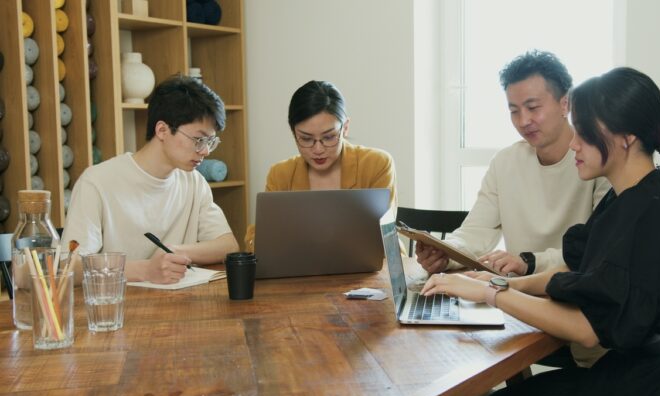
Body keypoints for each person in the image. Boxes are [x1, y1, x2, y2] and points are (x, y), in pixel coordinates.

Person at [421, 67, 660, 396]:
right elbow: (577, 269)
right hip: (638, 369)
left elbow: (586, 330)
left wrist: (490, 294)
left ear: (626, 137)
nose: (574, 144)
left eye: (584, 133)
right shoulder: (629, 197)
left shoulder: (653, 208)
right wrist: (502, 283)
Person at [416, 50, 610, 367]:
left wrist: (527, 263)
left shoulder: (598, 161)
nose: (523, 121)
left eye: (533, 108)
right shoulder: (506, 162)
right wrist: (445, 251)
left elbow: (595, 255)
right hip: (520, 307)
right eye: (514, 110)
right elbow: (475, 232)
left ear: (565, 103)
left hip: (581, 318)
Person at [63, 75, 239, 284]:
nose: (206, 151)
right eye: (199, 140)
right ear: (162, 130)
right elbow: (71, 266)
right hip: (115, 309)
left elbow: (228, 245)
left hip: (180, 306)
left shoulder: (194, 182)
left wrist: (175, 251)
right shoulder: (97, 182)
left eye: (210, 141)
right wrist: (145, 270)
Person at [244, 80, 396, 251]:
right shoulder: (281, 174)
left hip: (371, 272)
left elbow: (386, 237)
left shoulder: (376, 164)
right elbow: (258, 237)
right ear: (293, 132)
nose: (318, 149)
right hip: (303, 271)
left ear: (345, 127)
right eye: (306, 139)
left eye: (329, 137)